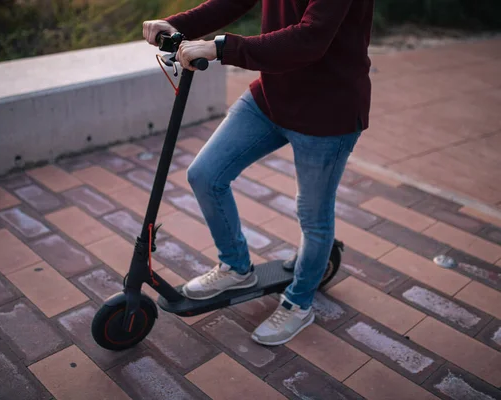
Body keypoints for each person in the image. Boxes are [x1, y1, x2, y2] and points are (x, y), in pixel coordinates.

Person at [143, 0, 373, 346]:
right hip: (272, 98)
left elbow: (310, 38)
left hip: (327, 114)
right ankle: (236, 268)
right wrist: (179, 25)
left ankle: (300, 302)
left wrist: (221, 47)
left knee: (313, 216)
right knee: (206, 174)